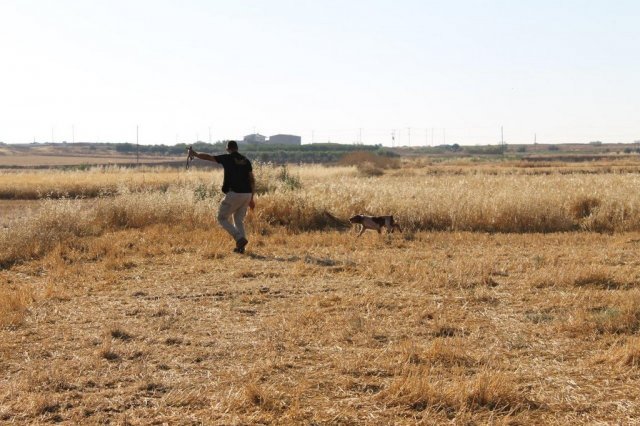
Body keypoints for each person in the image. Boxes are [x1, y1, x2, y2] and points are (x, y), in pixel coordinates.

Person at [188, 140, 256, 253]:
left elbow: (209, 157)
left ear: (228, 149)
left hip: (234, 193)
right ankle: (241, 248)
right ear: (237, 148)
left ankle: (239, 238)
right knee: (238, 220)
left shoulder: (227, 158)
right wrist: (252, 198)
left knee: (221, 218)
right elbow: (252, 180)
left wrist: (195, 154)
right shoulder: (246, 161)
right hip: (247, 194)